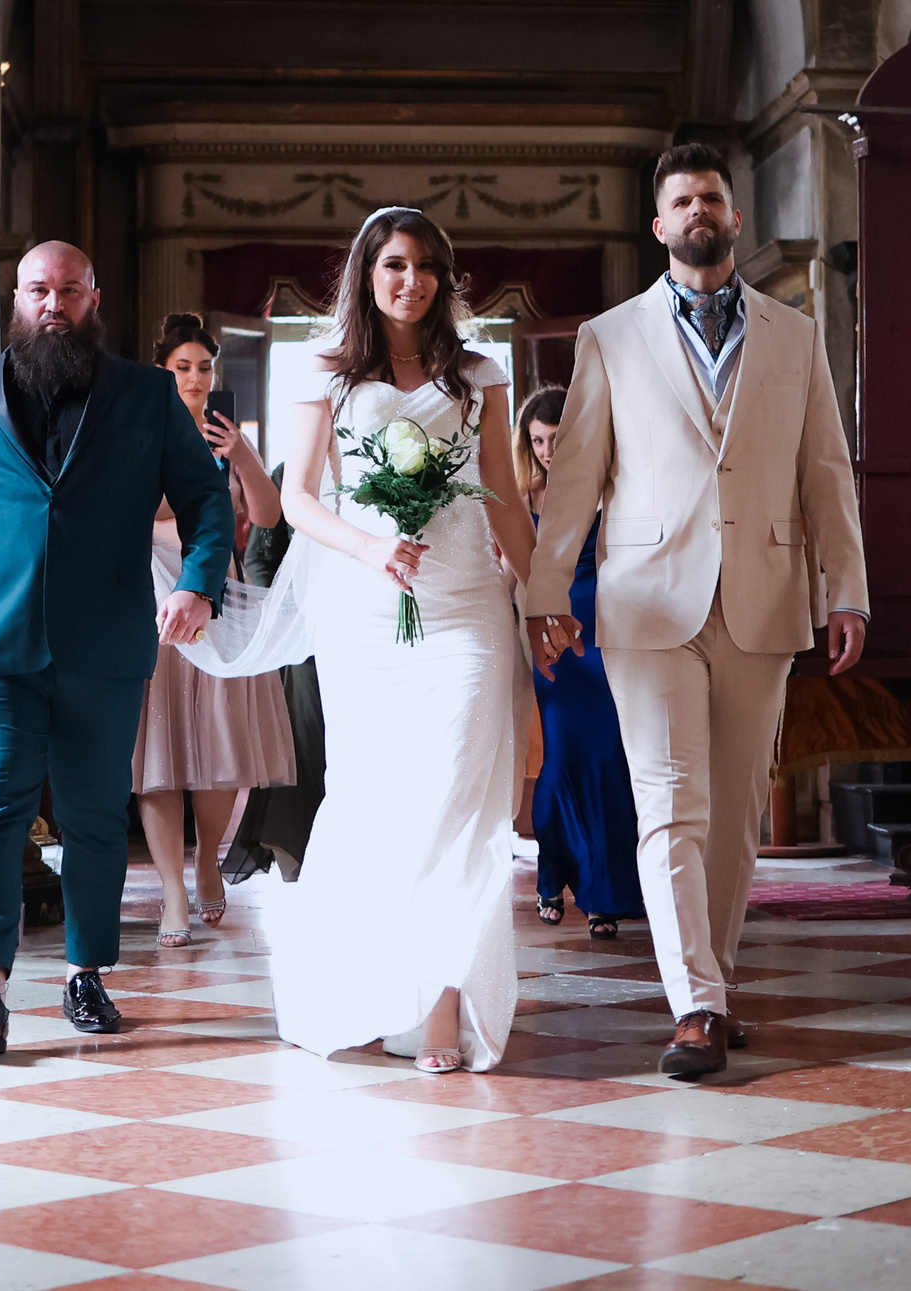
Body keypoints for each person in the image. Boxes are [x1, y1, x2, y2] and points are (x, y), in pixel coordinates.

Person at [525, 143, 870, 1078]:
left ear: (734, 216)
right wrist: (546, 590)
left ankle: (710, 981)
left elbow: (826, 472)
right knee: (669, 800)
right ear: (660, 225)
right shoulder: (611, 335)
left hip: (763, 595)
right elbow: (579, 477)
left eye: (711, 196)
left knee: (736, 810)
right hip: (645, 602)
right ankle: (696, 1005)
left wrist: (848, 588)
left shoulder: (795, 335)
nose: (698, 211)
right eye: (681, 200)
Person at [0, 241, 232, 1054]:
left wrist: (199, 584)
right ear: (17, 299)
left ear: (93, 298)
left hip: (107, 636)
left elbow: (206, 497)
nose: (53, 303)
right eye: (39, 290)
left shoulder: (147, 394)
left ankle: (85, 973)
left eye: (69, 290)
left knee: (96, 814)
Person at [268, 207, 537, 1075]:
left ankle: (441, 1005)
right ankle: (374, 984)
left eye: (425, 265)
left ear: (444, 278)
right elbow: (298, 500)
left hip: (464, 605)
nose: (409, 279)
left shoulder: (478, 373)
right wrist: (372, 545)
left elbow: (504, 495)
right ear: (366, 273)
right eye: (393, 263)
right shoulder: (326, 373)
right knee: (378, 802)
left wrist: (545, 598)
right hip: (366, 615)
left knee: (458, 801)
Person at [135, 314, 292, 947]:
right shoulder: (136, 430)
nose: (197, 379)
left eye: (205, 367)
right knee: (158, 751)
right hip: (149, 593)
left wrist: (243, 456)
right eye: (184, 367)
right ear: (161, 372)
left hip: (215, 595)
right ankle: (173, 891)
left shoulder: (225, 435)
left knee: (218, 746)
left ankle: (207, 865)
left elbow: (268, 515)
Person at [515, 385, 644, 941]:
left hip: (605, 635)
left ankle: (600, 896)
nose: (547, 450)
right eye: (537, 440)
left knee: (608, 763)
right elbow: (512, 572)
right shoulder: (520, 501)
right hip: (551, 640)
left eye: (557, 438)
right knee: (560, 760)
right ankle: (552, 876)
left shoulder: (611, 490)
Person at [218, 461, 325, 883]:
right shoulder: (288, 470)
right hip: (302, 625)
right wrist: (281, 614)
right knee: (307, 724)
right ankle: (302, 844)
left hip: (371, 618)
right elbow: (262, 555)